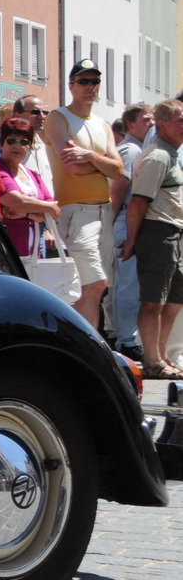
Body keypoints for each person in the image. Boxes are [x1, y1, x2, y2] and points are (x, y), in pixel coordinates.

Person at [44, 60, 124, 330]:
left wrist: (89, 156)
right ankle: (86, 342)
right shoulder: (58, 117)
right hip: (76, 211)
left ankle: (81, 339)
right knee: (93, 283)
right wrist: (102, 165)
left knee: (95, 287)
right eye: (84, 81)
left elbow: (118, 170)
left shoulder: (102, 124)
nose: (91, 86)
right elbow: (73, 166)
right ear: (71, 86)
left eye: (95, 81)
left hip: (104, 211)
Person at [117, 99, 183, 379]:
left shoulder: (170, 153)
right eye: (181, 120)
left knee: (174, 299)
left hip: (173, 231)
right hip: (158, 232)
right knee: (153, 300)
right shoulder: (158, 156)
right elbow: (138, 202)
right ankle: (153, 361)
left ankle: (162, 355)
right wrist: (131, 240)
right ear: (163, 124)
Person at [110, 103, 155, 359]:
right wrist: (112, 223)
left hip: (131, 217)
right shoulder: (131, 150)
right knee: (128, 283)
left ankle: (126, 336)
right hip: (126, 217)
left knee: (130, 283)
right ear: (130, 124)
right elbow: (118, 188)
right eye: (146, 119)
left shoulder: (139, 148)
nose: (151, 123)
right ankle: (126, 340)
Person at [0, 117, 58, 258]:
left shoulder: (32, 174)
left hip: (36, 249)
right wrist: (45, 208)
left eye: (24, 142)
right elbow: (15, 200)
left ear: (29, 146)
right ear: (1, 143)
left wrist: (26, 214)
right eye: (11, 141)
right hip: (9, 248)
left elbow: (53, 212)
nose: (17, 146)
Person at [13, 94, 55, 189]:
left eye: (45, 112)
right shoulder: (1, 143)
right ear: (17, 116)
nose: (42, 116)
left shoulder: (44, 146)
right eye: (35, 112)